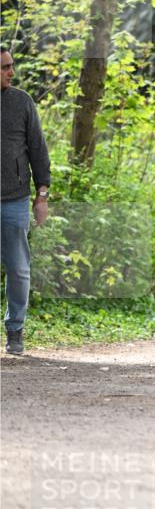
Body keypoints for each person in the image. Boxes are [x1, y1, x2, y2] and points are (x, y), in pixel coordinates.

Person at [1, 47, 51, 354]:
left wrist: (42, 193)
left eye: (11, 65)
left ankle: (15, 329)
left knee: (19, 269)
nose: (12, 71)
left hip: (15, 200)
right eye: (5, 67)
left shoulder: (22, 101)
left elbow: (38, 148)